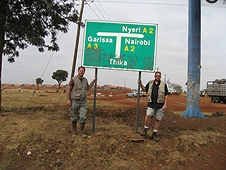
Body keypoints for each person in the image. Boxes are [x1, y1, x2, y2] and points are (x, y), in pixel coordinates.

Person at [138, 71, 169, 142]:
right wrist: (140, 84)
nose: (157, 77)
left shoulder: (163, 84)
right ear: (154, 76)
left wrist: (165, 104)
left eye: (159, 76)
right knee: (148, 115)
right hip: (151, 104)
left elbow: (166, 95)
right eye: (156, 76)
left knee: (158, 119)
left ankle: (154, 133)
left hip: (160, 105)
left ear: (160, 77)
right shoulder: (150, 83)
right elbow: (145, 89)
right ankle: (145, 129)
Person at [67, 66, 97, 136]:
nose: (81, 72)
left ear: (84, 72)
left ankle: (81, 132)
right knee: (74, 116)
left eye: (82, 71)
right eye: (80, 71)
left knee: (83, 117)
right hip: (75, 100)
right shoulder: (73, 79)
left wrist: (93, 81)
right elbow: (69, 89)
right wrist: (68, 100)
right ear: (78, 71)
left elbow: (88, 87)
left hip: (83, 101)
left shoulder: (85, 80)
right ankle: (74, 131)